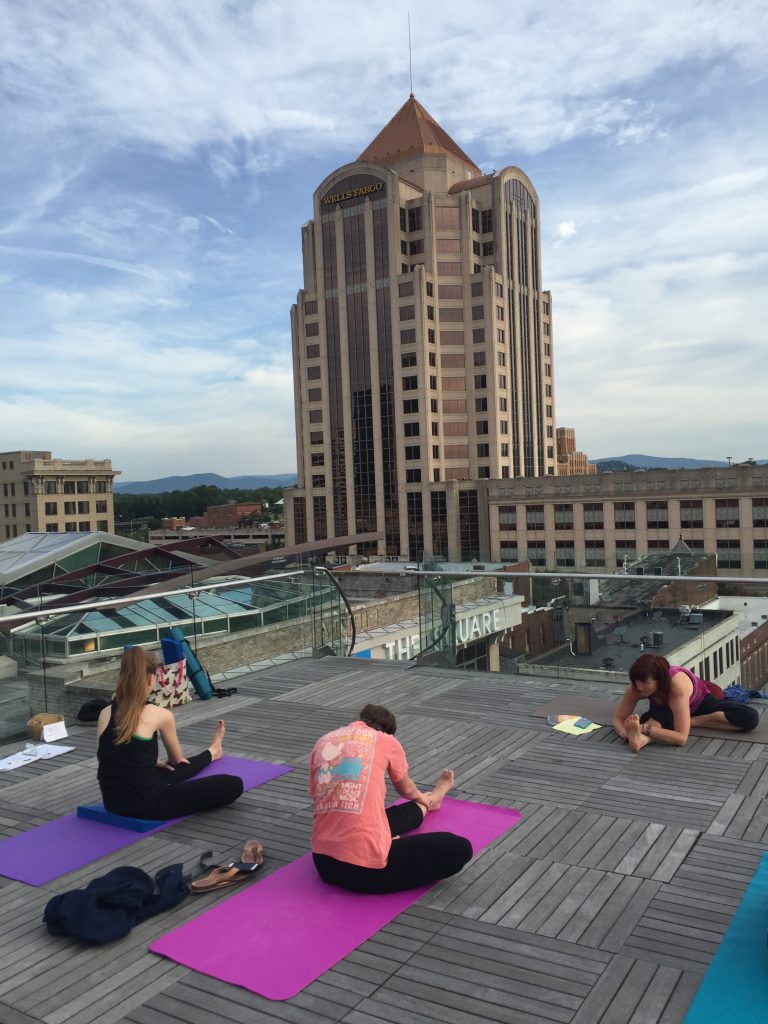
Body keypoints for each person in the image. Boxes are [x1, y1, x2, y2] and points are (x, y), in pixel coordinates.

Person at [309, 703, 473, 894]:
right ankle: (428, 801)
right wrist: (420, 796)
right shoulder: (386, 741)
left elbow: (317, 794)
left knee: (381, 816)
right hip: (362, 871)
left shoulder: (323, 741)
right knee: (459, 847)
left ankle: (432, 800)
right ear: (388, 731)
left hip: (323, 864)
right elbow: (407, 789)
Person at [96, 647, 243, 819]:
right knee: (233, 783)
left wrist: (149, 761)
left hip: (112, 802)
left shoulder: (104, 713)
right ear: (152, 679)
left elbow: (109, 757)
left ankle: (212, 752)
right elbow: (177, 759)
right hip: (148, 804)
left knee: (167, 769)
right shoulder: (160, 715)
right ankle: (213, 752)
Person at [612, 653, 759, 753]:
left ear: (659, 680)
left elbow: (681, 739)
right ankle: (639, 741)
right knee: (658, 719)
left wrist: (643, 727)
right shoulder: (636, 688)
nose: (639, 687)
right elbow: (618, 718)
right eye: (636, 682)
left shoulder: (677, 688)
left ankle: (691, 722)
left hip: (700, 704)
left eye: (645, 683)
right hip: (665, 711)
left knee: (750, 717)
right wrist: (625, 733)